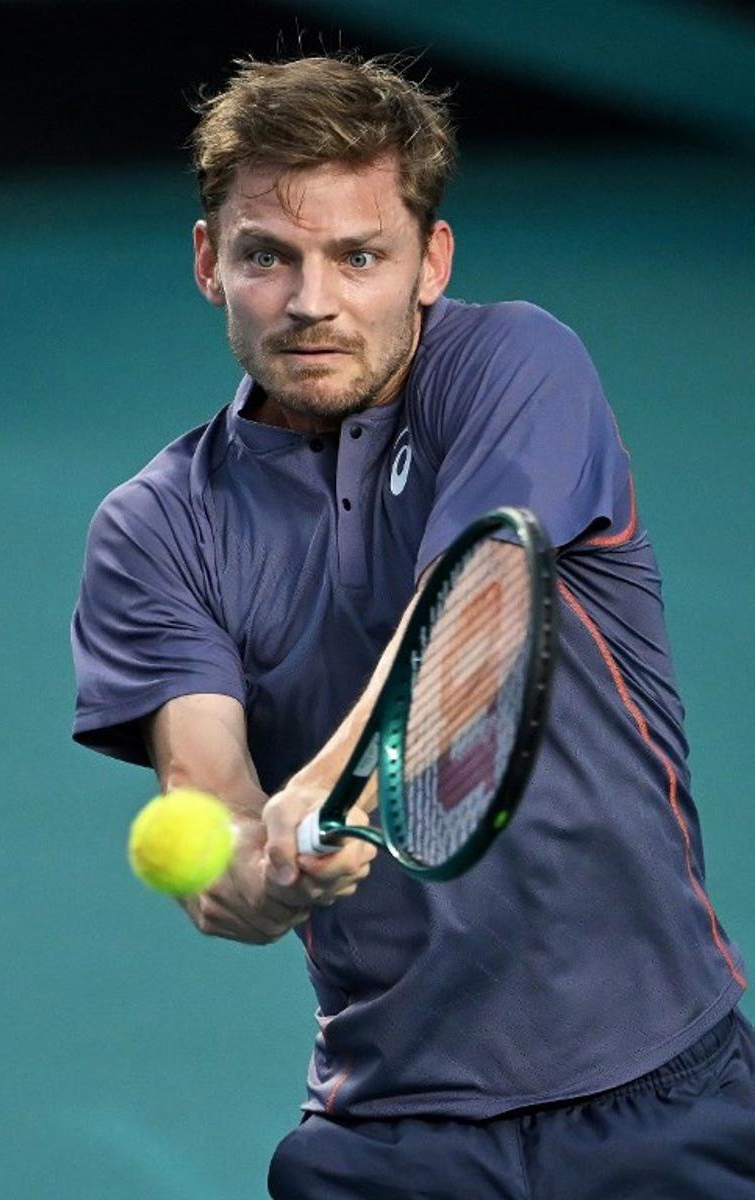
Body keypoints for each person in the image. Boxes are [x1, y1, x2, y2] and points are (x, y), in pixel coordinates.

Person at [71, 54, 755, 1199]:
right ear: (209, 263)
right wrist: (262, 874)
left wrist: (323, 785)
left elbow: (470, 620)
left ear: (428, 262)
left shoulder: (514, 364)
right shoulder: (153, 528)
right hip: (388, 1135)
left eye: (357, 255)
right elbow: (211, 826)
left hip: (665, 1094)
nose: (311, 301)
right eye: (265, 257)